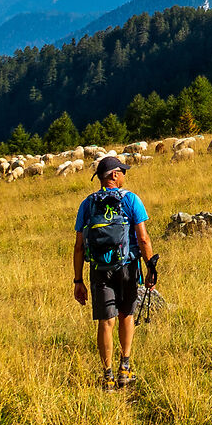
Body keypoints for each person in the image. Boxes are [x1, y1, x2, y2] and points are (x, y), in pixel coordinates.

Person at [73, 154, 152, 389]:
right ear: (115, 175)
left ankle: (107, 375)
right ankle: (124, 369)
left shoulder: (88, 204)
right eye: (123, 171)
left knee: (105, 322)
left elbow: (79, 246)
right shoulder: (131, 200)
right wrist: (150, 267)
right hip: (126, 267)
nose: (125, 175)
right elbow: (143, 238)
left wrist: (78, 280)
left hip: (99, 270)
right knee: (126, 315)